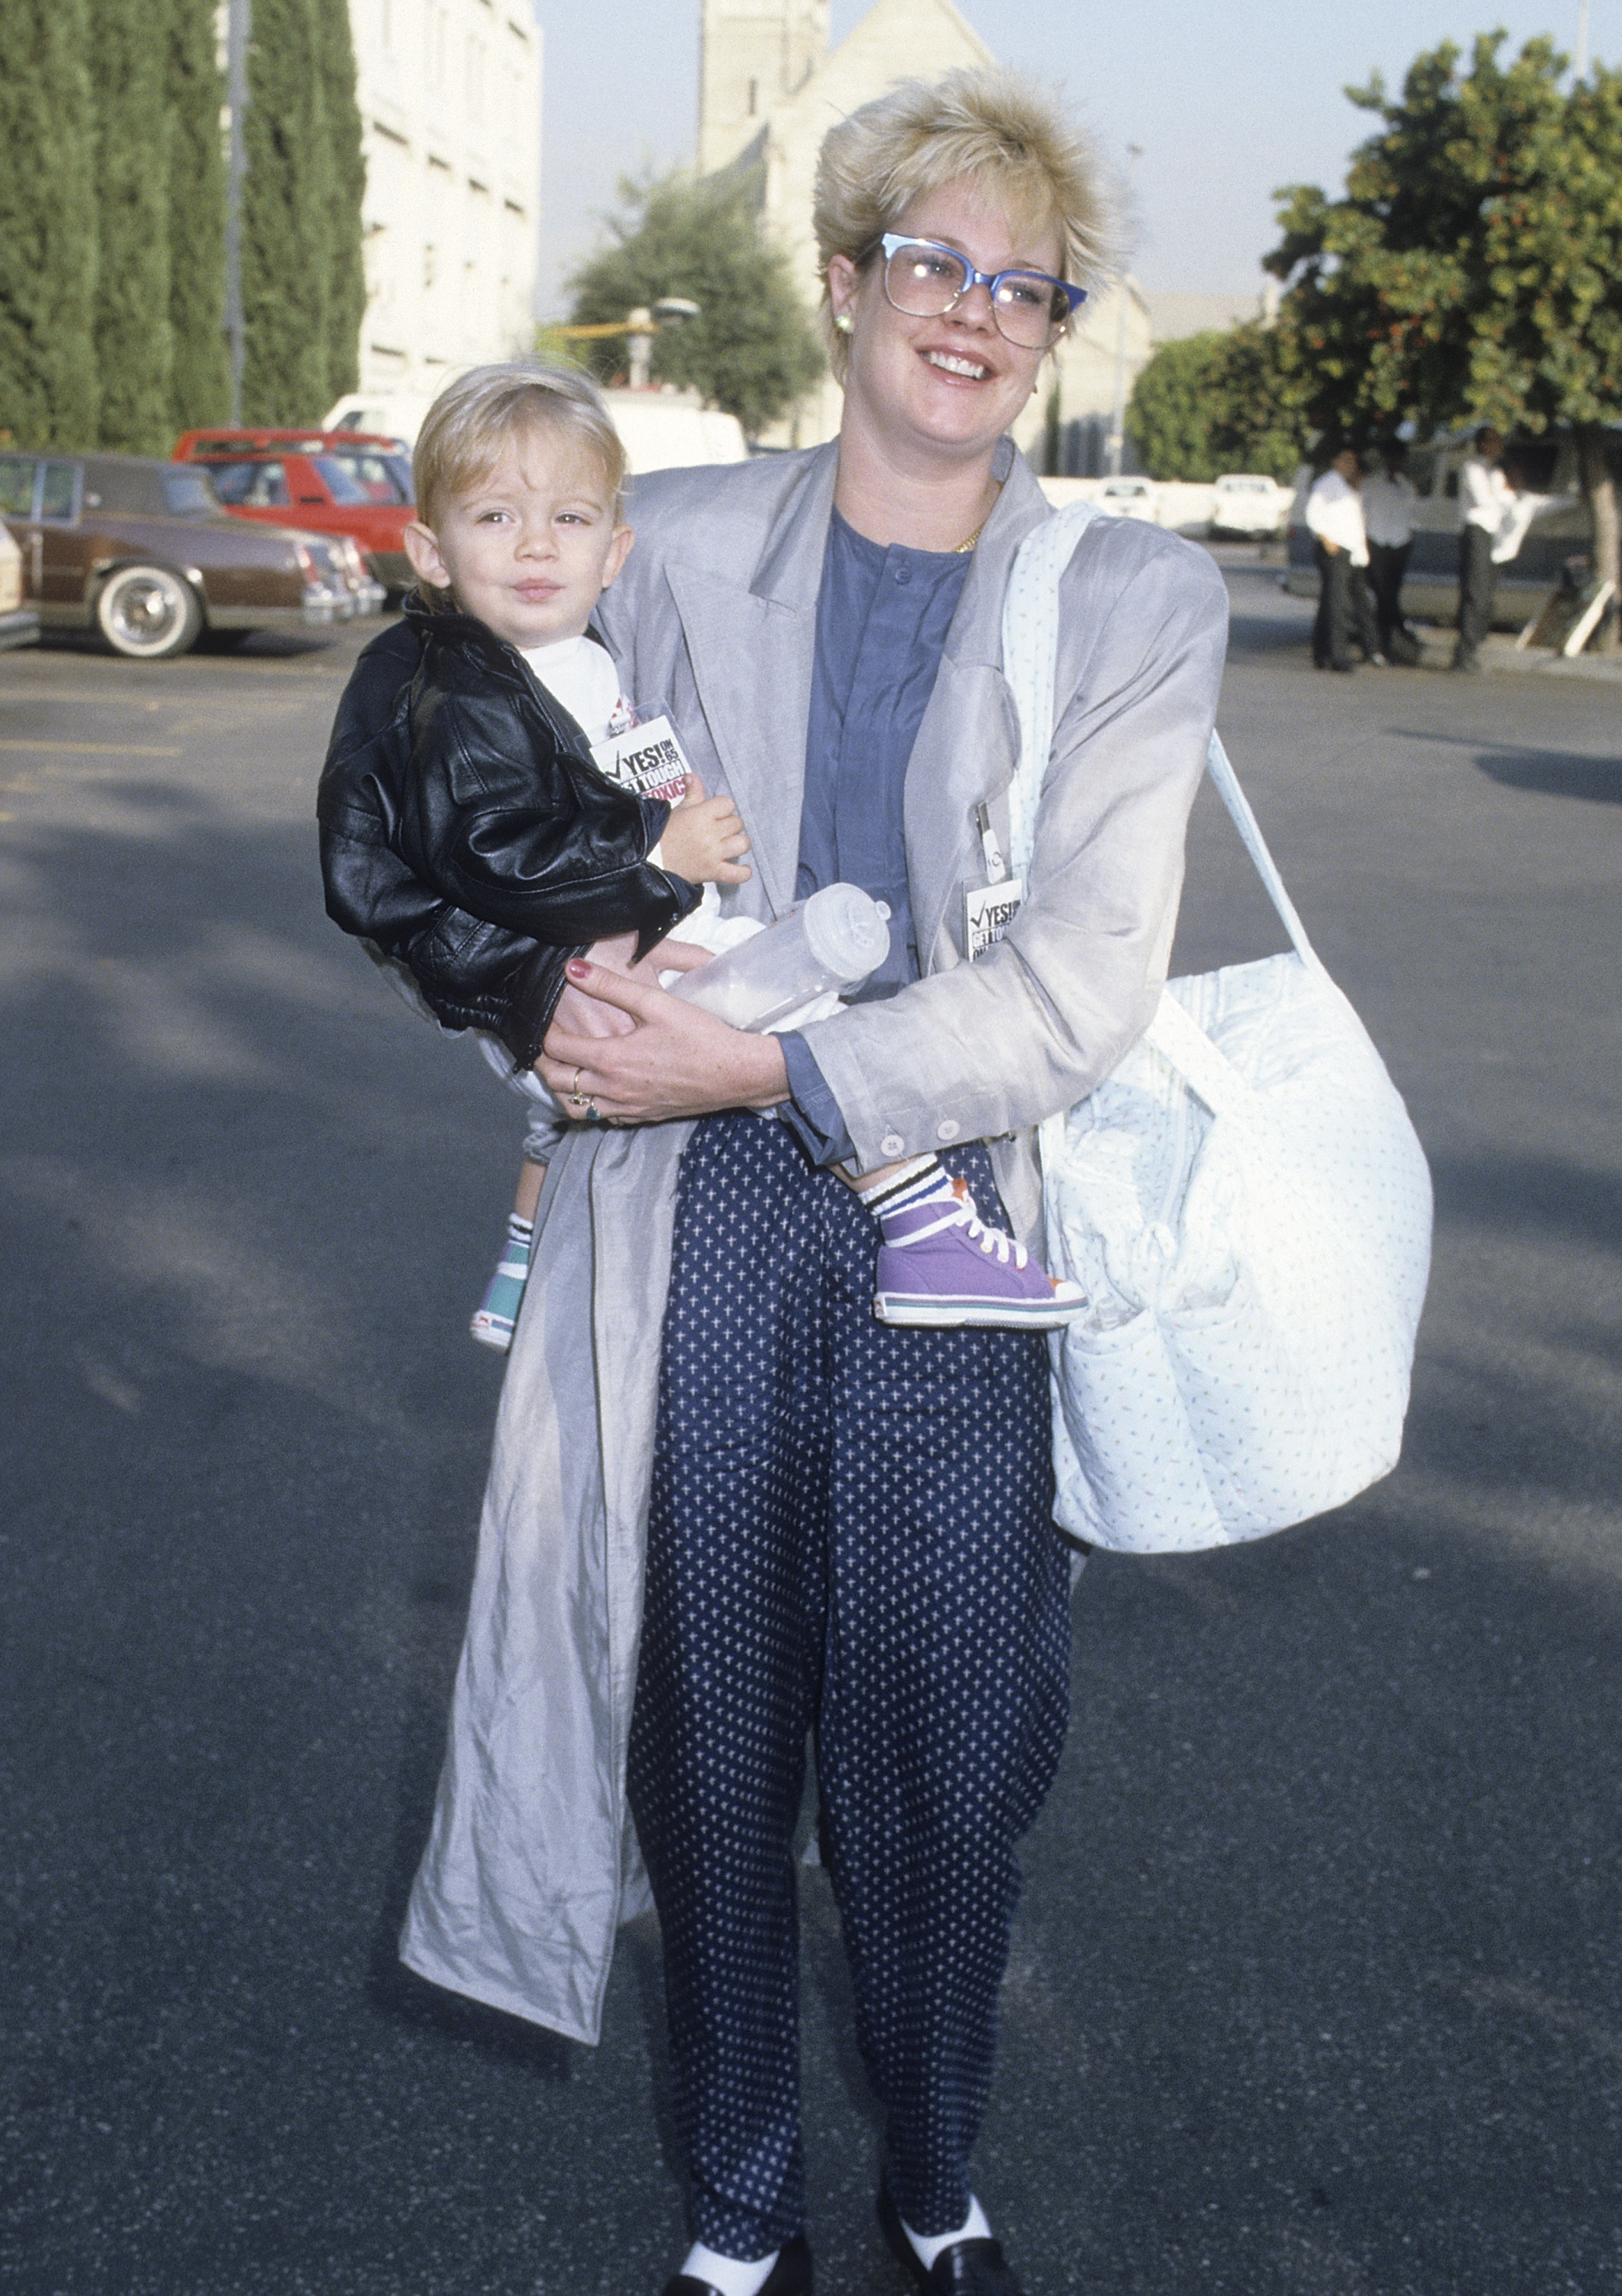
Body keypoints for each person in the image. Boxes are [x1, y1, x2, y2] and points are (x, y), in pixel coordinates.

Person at [373, 69, 1226, 2296]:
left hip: (959, 1205)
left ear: (1047, 326)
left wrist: (766, 1045)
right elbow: (484, 806)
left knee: (954, 1743)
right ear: (842, 285)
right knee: (713, 1720)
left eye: (1018, 280)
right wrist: (545, 1020)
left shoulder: (1126, 594)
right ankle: (741, 2180)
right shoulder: (665, 548)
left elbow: (1078, 986)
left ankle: (933, 2161)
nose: (971, 308)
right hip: (708, 1211)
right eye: (928, 262)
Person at [318, 363, 1085, 1353]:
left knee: (560, 1115)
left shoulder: (574, 652)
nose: (538, 544)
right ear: (430, 549)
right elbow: (491, 853)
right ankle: (922, 1225)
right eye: (495, 518)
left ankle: (517, 1265)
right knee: (801, 999)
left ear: (615, 552)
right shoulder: (464, 693)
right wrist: (657, 849)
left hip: (566, 971)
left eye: (572, 519)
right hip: (587, 955)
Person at [1304, 444, 1379, 670]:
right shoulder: (1327, 484)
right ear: (1334, 461)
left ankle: (1321, 652)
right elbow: (1313, 514)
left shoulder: (1349, 488)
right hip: (1334, 550)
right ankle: (1338, 656)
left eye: (1352, 461)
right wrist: (1326, 539)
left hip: (1349, 552)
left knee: (1330, 604)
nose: (1350, 465)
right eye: (1345, 460)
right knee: (1337, 606)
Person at [1452, 425, 1513, 670]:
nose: (1499, 447)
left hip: (1491, 533)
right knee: (1475, 592)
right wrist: (1504, 494)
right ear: (1483, 444)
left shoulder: (1495, 472)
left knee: (1486, 594)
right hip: (1476, 531)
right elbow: (1484, 500)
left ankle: (1473, 646)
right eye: (1494, 442)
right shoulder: (1473, 468)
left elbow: (1509, 501)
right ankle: (1464, 654)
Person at [1361, 440, 1419, 664]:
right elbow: (1363, 513)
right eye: (1392, 457)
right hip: (1376, 544)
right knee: (1379, 596)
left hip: (1399, 545)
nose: (1396, 462)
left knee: (1391, 596)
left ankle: (1385, 645)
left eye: (1399, 458)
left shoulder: (1407, 486)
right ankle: (1376, 645)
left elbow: (1411, 517)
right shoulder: (1371, 483)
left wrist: (1407, 542)